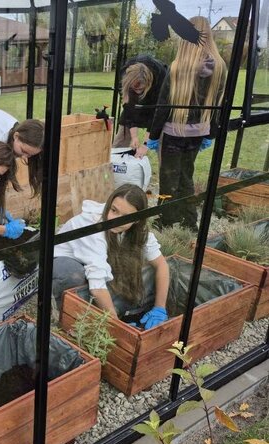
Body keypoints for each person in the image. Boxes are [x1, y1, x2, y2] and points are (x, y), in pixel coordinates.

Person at [147, 16, 227, 231]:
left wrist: (153, 136)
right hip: (198, 132)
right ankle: (189, 221)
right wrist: (210, 134)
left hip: (174, 132)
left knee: (168, 177)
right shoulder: (219, 67)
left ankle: (166, 220)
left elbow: (163, 105)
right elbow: (219, 104)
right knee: (186, 175)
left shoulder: (177, 67)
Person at [52, 184, 170, 328]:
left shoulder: (138, 231)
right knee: (73, 274)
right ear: (109, 204)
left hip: (95, 262)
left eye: (126, 217)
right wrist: (118, 328)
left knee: (136, 264)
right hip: (62, 265)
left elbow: (161, 264)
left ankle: (112, 313)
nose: (115, 219)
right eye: (114, 210)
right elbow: (97, 286)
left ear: (137, 220)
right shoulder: (93, 226)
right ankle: (67, 318)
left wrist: (159, 308)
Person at [113, 55, 167, 159]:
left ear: (148, 83)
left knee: (162, 141)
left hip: (156, 103)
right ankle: (113, 162)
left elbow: (157, 114)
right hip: (134, 101)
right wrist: (134, 136)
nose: (138, 92)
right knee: (121, 137)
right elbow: (128, 108)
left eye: (140, 89)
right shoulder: (124, 75)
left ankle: (165, 169)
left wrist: (146, 144)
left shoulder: (161, 77)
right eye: (134, 89)